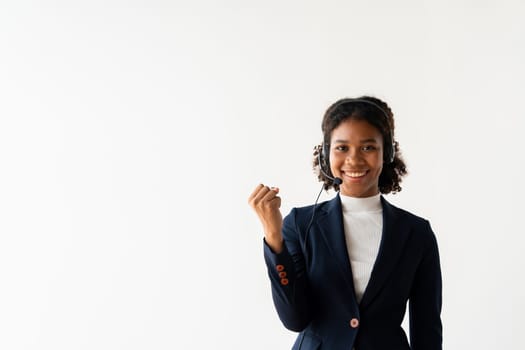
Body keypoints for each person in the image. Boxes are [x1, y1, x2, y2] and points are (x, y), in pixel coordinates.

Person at [248, 96, 442, 350]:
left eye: (368, 147)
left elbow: (427, 330)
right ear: (326, 154)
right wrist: (274, 236)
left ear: (388, 153)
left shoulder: (416, 233)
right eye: (342, 148)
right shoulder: (300, 223)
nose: (354, 159)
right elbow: (294, 319)